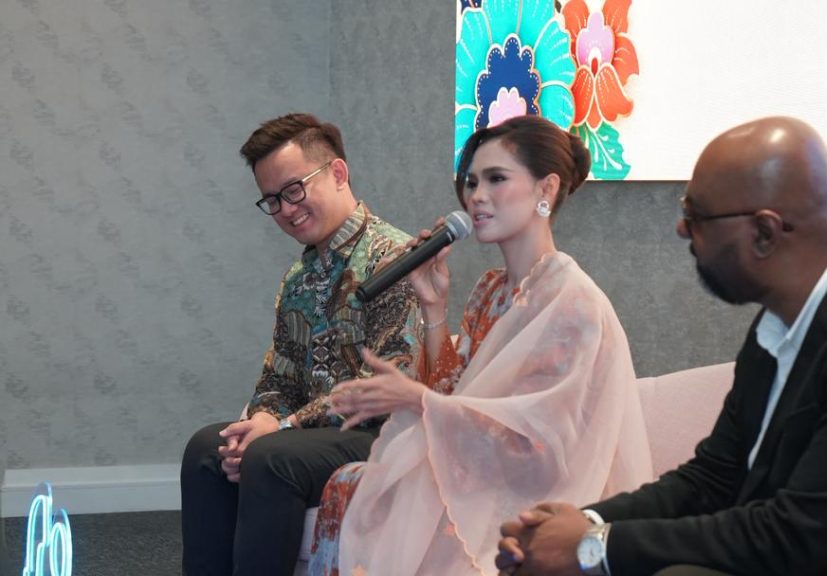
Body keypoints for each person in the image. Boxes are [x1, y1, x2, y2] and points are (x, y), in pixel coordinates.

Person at [496, 116, 827, 576]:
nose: (681, 229)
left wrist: (593, 548)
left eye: (696, 216)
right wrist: (583, 523)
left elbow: (794, 536)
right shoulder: (783, 321)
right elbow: (716, 478)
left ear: (766, 233)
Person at [307, 114, 653, 575]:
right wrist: (433, 306)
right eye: (471, 182)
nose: (476, 196)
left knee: (374, 492)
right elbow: (451, 390)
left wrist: (417, 399)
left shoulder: (572, 301)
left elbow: (544, 444)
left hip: (540, 493)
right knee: (350, 482)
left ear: (546, 189)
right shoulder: (490, 289)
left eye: (496, 179)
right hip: (479, 471)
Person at [180, 113, 420, 576]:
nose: (286, 210)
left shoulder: (395, 258)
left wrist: (284, 427)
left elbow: (387, 384)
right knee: (208, 448)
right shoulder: (298, 277)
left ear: (337, 173)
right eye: (272, 200)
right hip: (309, 436)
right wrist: (262, 418)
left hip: (382, 433)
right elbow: (280, 374)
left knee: (271, 457)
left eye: (293, 190)